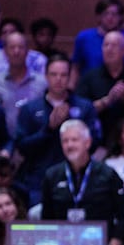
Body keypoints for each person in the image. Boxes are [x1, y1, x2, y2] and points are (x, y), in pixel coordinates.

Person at [40, 119, 124, 245]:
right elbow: (47, 218)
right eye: (65, 141)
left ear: (87, 143)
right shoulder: (52, 175)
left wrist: (114, 243)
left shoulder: (107, 174)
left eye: (74, 140)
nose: (69, 145)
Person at [13, 55, 100, 207]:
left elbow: (94, 141)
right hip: (38, 181)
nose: (58, 79)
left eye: (63, 75)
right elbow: (22, 146)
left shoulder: (85, 107)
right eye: (54, 74)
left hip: (78, 180)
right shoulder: (30, 108)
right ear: (46, 76)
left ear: (70, 77)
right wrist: (48, 129)